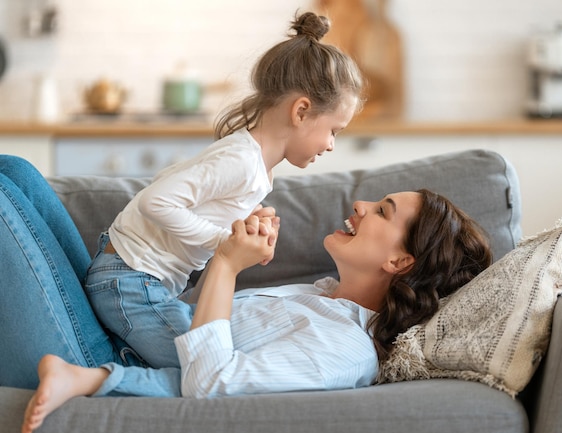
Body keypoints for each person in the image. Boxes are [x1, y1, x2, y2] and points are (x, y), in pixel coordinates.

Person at [17, 175, 492, 432]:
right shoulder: (321, 294)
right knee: (16, 172)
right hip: (121, 325)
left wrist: (226, 265)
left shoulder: (346, 349)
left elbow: (211, 381)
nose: (361, 206)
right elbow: (187, 323)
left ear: (399, 260)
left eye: (382, 211)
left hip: (96, 355)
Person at [84, 10, 364, 369]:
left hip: (143, 281)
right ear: (302, 111)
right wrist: (223, 243)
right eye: (334, 131)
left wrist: (246, 225)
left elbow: (206, 204)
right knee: (204, 365)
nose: (330, 146)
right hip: (131, 280)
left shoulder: (257, 167)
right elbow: (155, 202)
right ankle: (103, 366)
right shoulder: (241, 160)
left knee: (215, 353)